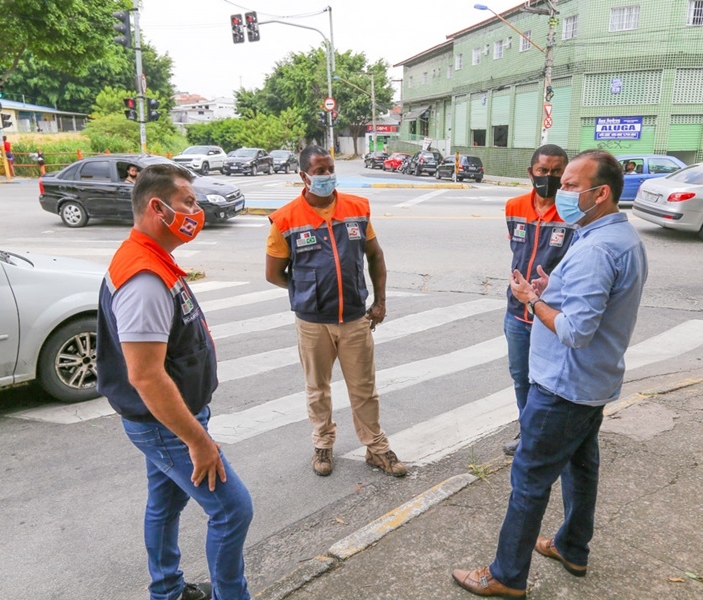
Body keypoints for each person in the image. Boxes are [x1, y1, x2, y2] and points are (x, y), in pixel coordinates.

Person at [452, 149, 648, 598]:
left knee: (529, 479)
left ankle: (505, 575)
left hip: (563, 385)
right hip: (591, 382)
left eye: (571, 185)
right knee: (581, 466)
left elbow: (576, 331)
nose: (561, 192)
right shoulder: (616, 236)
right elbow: (592, 303)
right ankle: (573, 547)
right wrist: (550, 288)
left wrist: (531, 300)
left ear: (600, 193)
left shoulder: (597, 247)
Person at [96, 163, 253, 600]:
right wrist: (198, 441)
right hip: (165, 425)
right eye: (188, 202)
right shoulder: (144, 277)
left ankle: (166, 591)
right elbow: (145, 376)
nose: (197, 211)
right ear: (156, 207)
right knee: (233, 510)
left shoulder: (151, 259)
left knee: (164, 506)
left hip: (169, 420)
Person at [265, 145, 407, 478]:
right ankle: (323, 443)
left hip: (356, 318)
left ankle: (377, 448)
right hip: (313, 323)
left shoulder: (357, 209)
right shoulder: (285, 219)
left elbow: (375, 257)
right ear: (304, 176)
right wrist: (306, 291)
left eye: (330, 169)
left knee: (364, 389)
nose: (327, 176)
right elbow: (273, 273)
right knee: (317, 388)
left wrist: (380, 301)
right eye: (320, 171)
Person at [502, 144, 575, 456]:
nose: (549, 177)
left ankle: (551, 437)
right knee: (521, 378)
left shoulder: (572, 214)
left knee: (549, 382)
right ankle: (527, 433)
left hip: (552, 314)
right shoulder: (514, 206)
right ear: (531, 172)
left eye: (557, 172)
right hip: (517, 313)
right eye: (543, 171)